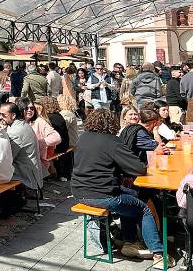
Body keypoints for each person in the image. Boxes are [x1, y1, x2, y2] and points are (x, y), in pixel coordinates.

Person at [71, 109, 173, 268]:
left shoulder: (82, 138)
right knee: (143, 208)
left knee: (131, 197)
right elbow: (139, 168)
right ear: (111, 123)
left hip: (78, 191)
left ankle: (130, 242)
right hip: (101, 194)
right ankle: (159, 254)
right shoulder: (112, 141)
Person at [0, 102, 43, 192]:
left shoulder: (16, 132)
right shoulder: (22, 124)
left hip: (25, 173)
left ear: (13, 115)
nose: (0, 117)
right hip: (30, 169)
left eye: (3, 115)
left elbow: (7, 158)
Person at [18, 97, 61, 179]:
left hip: (37, 162)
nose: (30, 110)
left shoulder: (39, 122)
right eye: (26, 108)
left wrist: (39, 142)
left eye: (32, 108)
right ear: (20, 109)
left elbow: (57, 137)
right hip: (20, 161)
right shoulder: (16, 123)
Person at [41, 97, 71, 179]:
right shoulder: (58, 115)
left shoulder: (49, 118)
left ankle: (45, 173)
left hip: (59, 146)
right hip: (64, 144)